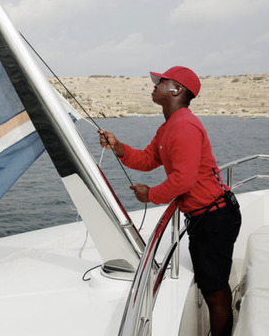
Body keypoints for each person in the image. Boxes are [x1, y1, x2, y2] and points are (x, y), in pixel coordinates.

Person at [98, 66, 241, 336]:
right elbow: (147, 159)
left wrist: (149, 195)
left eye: (160, 82)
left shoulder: (184, 126)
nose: (154, 85)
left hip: (214, 218)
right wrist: (117, 146)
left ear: (175, 90)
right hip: (205, 217)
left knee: (215, 292)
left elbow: (184, 180)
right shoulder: (168, 127)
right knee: (211, 288)